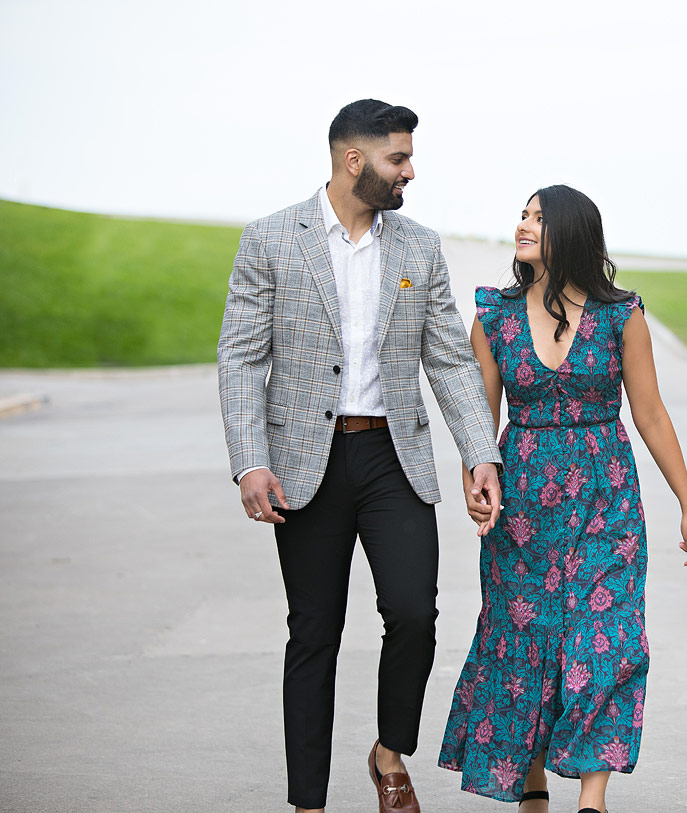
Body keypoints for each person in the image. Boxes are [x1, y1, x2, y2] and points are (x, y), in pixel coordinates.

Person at [218, 99, 504, 813]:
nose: (410, 171)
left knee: (413, 612)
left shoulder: (418, 247)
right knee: (313, 631)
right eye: (397, 159)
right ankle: (308, 803)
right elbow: (240, 357)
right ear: (355, 161)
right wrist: (250, 460)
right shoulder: (272, 239)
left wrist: (480, 453)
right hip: (304, 463)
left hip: (391, 455)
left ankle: (387, 752)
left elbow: (448, 359)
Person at [438, 185, 687, 813]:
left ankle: (593, 797)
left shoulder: (622, 314)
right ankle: (533, 792)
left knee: (606, 639)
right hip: (523, 505)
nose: (523, 225)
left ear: (572, 232)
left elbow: (651, 414)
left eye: (539, 217)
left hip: (605, 500)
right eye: (523, 215)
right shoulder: (495, 314)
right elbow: (480, 418)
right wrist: (476, 483)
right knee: (521, 639)